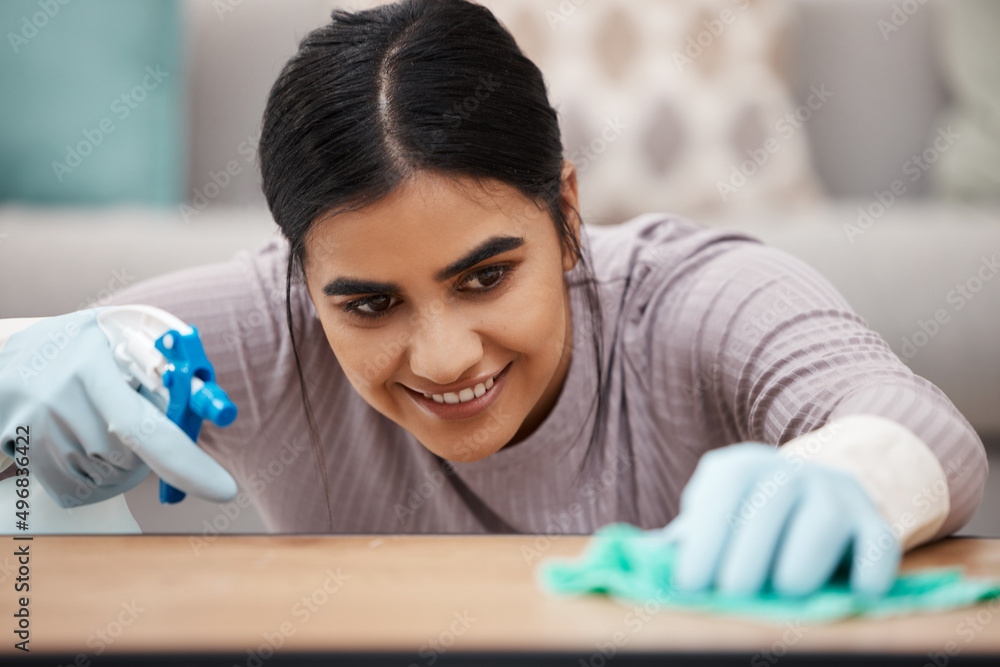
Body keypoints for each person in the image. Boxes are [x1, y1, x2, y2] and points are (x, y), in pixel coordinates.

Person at [0, 0, 987, 598]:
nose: (443, 357)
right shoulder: (268, 324)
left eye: (485, 277)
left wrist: (847, 476)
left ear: (563, 208)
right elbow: (85, 357)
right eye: (370, 305)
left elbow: (912, 424)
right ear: (299, 276)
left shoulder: (695, 297)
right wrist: (28, 374)